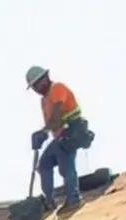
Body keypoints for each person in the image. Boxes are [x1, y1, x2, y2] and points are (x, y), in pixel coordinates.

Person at [26, 65, 91, 212]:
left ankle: (74, 199)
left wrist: (42, 132)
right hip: (59, 136)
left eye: (37, 84)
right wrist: (42, 134)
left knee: (66, 165)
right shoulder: (44, 101)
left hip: (71, 131)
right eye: (34, 86)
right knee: (43, 165)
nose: (36, 88)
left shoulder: (57, 89)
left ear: (46, 77)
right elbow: (51, 123)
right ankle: (49, 201)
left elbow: (57, 116)